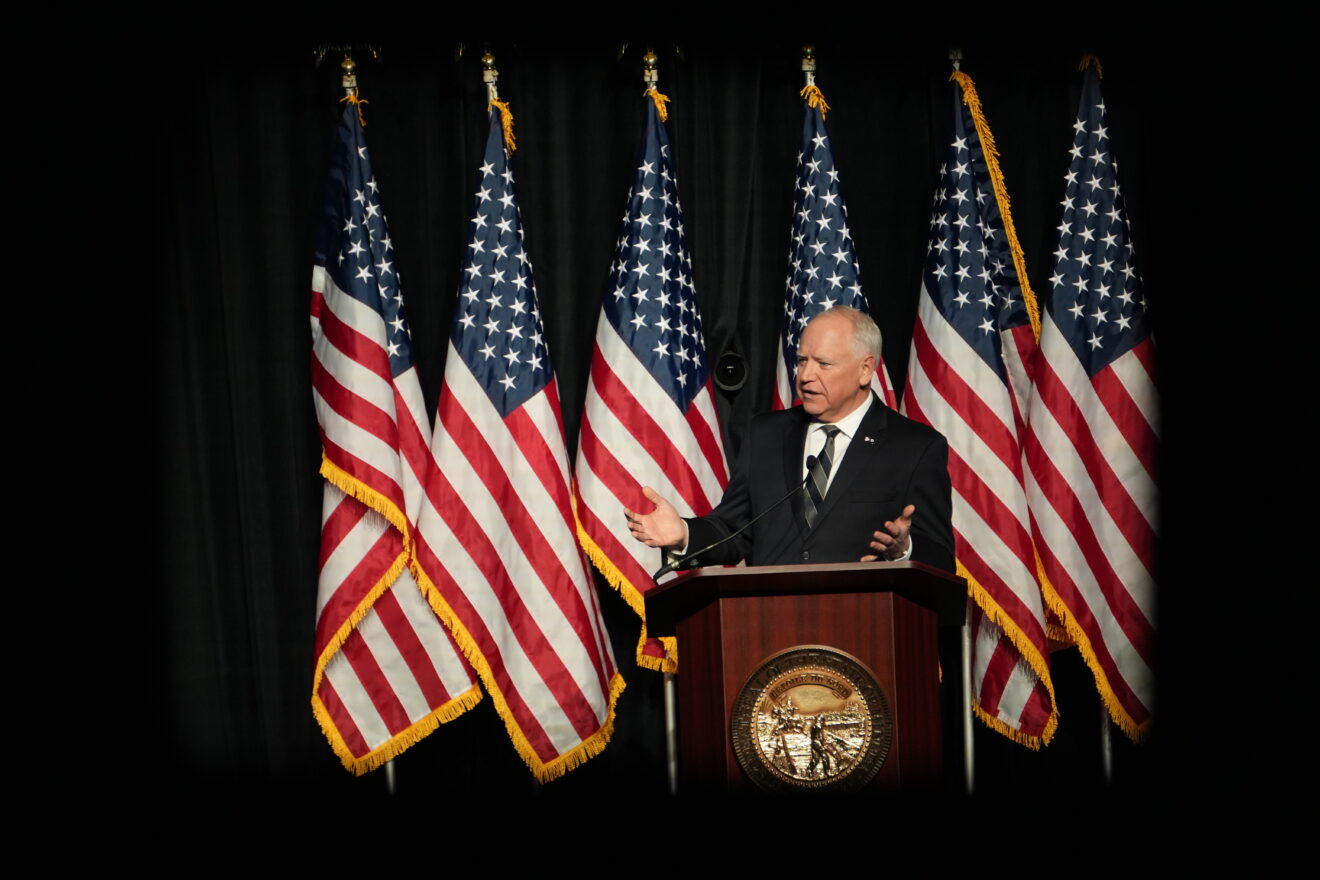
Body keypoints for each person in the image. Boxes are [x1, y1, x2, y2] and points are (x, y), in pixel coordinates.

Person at [623, 306, 954, 572]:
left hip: (866, 624)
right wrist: (684, 533)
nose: (806, 376)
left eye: (823, 364)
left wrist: (903, 551)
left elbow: (941, 560)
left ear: (865, 369)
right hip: (771, 624)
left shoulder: (915, 448)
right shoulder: (767, 435)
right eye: (802, 361)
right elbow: (734, 530)